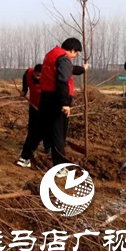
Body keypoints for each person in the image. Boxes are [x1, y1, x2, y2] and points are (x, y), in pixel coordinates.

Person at [39, 38, 87, 176]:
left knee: (49, 130)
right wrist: (65, 103)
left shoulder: (52, 54)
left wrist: (82, 69)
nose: (74, 56)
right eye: (76, 54)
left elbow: (67, 69)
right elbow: (62, 81)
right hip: (57, 100)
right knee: (59, 134)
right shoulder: (64, 59)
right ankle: (60, 168)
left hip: (46, 98)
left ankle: (34, 155)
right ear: (72, 50)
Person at [15, 64, 49, 168]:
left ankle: (48, 147)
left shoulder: (48, 80)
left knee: (46, 129)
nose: (38, 77)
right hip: (33, 105)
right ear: (34, 73)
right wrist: (24, 92)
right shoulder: (28, 73)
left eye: (40, 75)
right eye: (37, 75)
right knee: (33, 129)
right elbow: (25, 85)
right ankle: (26, 155)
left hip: (45, 108)